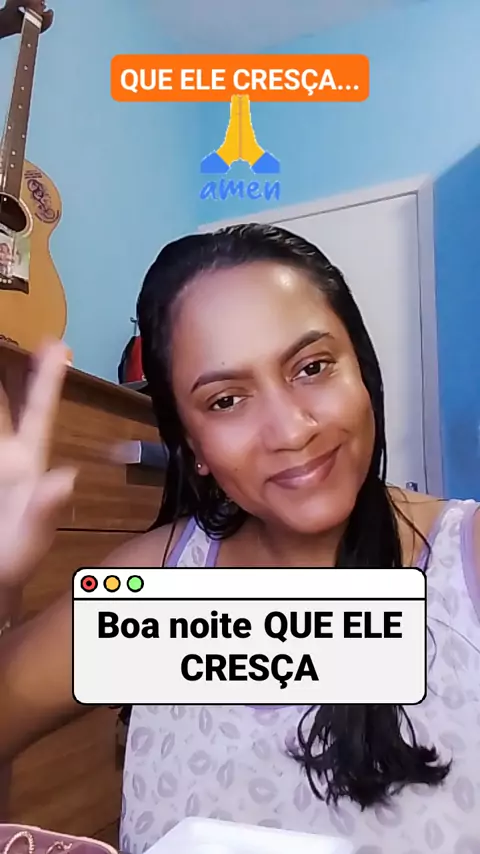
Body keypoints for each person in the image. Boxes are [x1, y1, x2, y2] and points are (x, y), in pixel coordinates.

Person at [0, 224, 479, 854]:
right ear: (192, 443)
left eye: (312, 367)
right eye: (226, 401)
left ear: (361, 370)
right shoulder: (158, 585)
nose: (290, 431)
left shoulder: (465, 563)